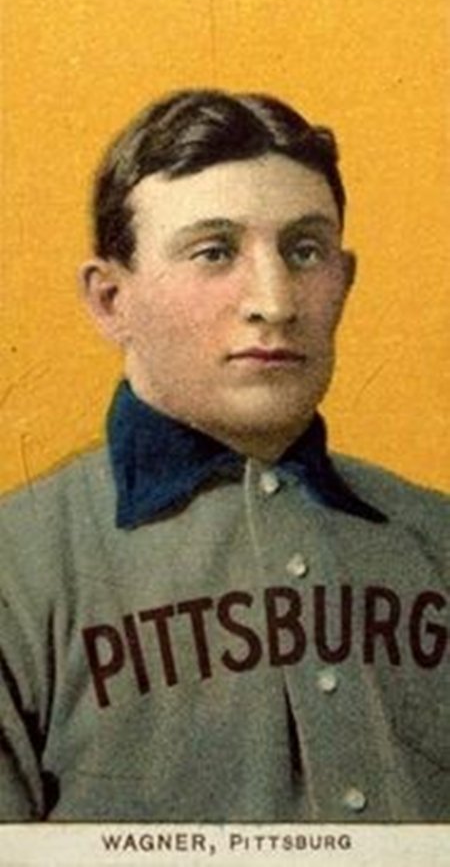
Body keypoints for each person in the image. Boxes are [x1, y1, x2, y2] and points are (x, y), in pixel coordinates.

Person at [0, 89, 448, 823]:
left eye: (305, 251)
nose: (275, 302)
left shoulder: (437, 537)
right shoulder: (17, 571)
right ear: (111, 299)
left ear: (344, 281)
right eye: (214, 252)